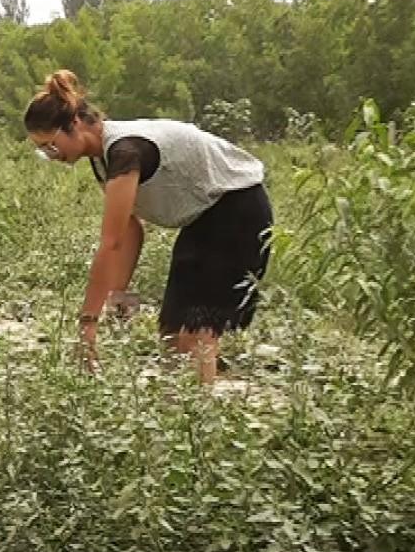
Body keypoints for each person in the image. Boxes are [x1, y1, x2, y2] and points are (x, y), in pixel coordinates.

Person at [25, 70, 273, 382]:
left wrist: (88, 323)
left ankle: (199, 419)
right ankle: (179, 417)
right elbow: (130, 230)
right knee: (171, 334)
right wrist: (118, 292)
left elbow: (110, 242)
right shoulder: (101, 158)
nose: (52, 156)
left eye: (51, 146)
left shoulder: (126, 151)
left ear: (73, 124)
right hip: (201, 219)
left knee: (196, 334)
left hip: (239, 210)